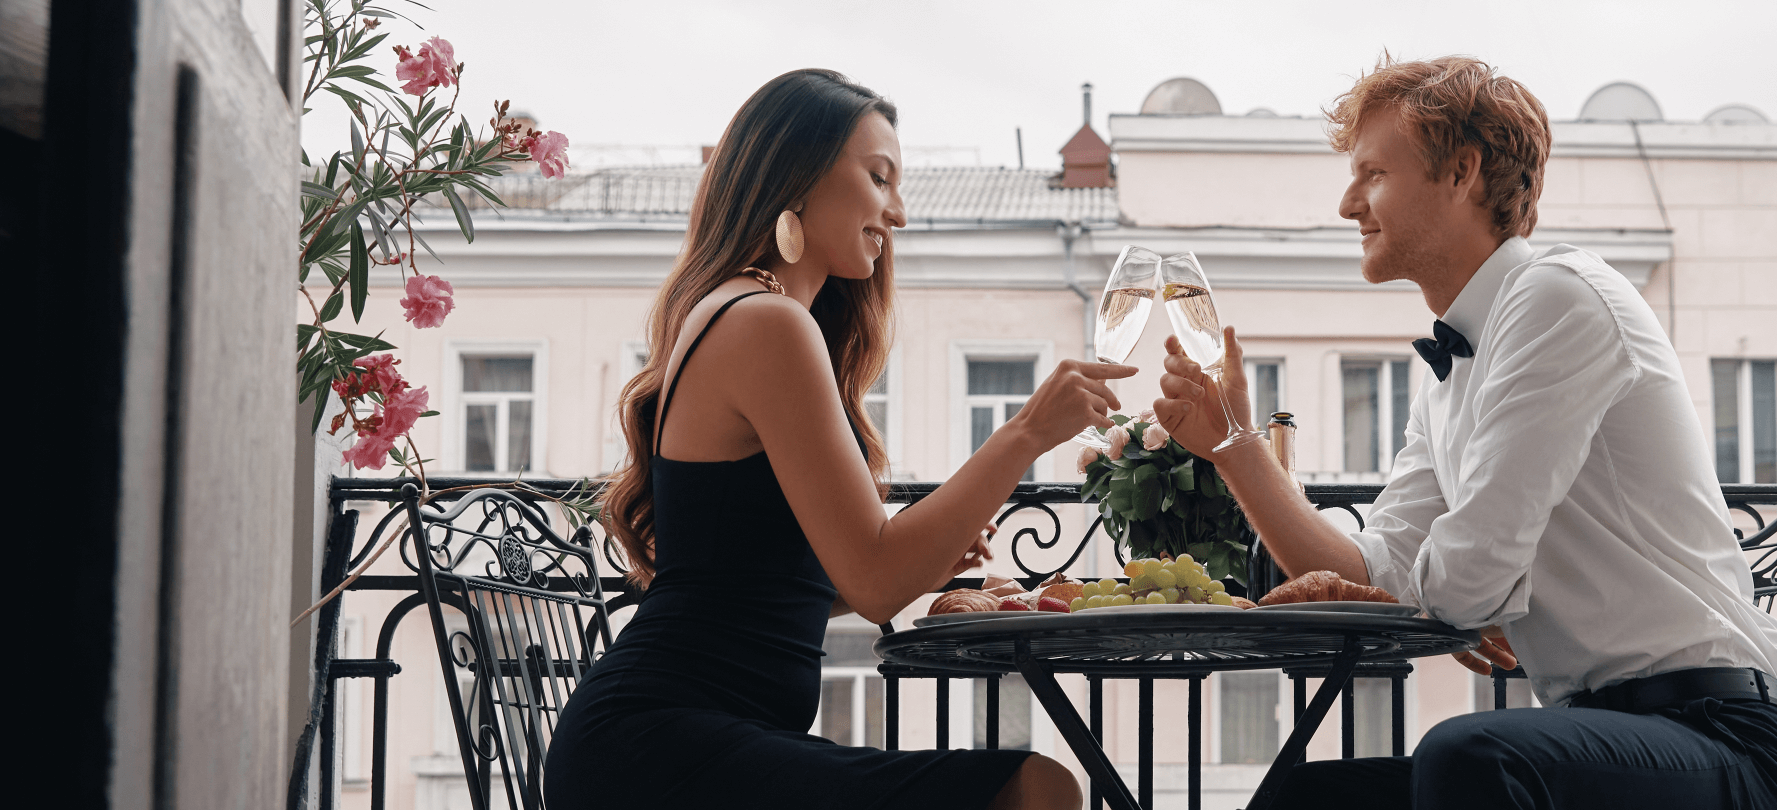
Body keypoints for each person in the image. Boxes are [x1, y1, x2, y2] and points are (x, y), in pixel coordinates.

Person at [1152, 55, 1777, 809]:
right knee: (1309, 796)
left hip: (1719, 729)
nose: (1350, 203)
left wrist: (1445, 598)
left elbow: (1466, 585)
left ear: (1463, 172)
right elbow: (1375, 573)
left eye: (1374, 174)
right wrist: (1234, 446)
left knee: (1471, 752)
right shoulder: (1450, 378)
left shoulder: (1556, 299)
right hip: (1594, 731)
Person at [544, 69, 1126, 810]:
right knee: (1035, 789)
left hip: (679, 737)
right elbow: (875, 580)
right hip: (655, 750)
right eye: (880, 177)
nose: (899, 213)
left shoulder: (754, 315)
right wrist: (1028, 431)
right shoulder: (765, 321)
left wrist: (928, 549)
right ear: (796, 172)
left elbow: (766, 587)